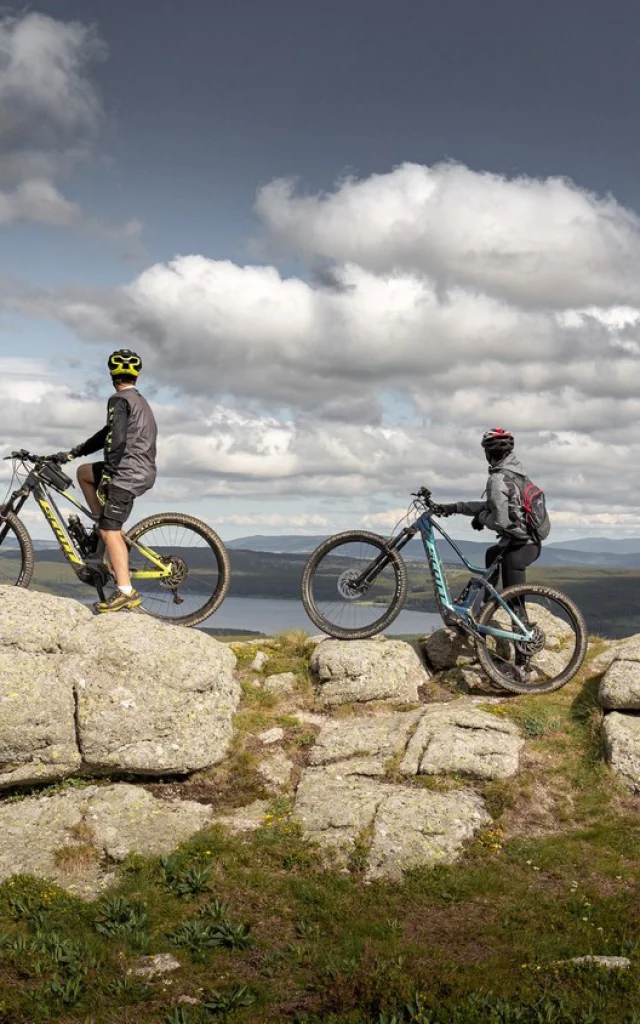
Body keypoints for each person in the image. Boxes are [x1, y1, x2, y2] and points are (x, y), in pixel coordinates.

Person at [55, 349, 157, 613]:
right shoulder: (137, 400)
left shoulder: (119, 399)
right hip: (137, 469)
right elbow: (107, 433)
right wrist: (74, 453)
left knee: (112, 531)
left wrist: (110, 474)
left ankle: (125, 592)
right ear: (137, 375)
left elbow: (117, 440)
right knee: (84, 473)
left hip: (127, 472)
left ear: (112, 374)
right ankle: (103, 527)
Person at [436, 427, 542, 611]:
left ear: (487, 453)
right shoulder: (516, 473)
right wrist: (455, 508)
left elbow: (499, 521)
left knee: (514, 596)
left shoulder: (498, 479)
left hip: (521, 544)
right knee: (492, 554)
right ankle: (487, 610)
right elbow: (493, 506)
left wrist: (481, 518)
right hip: (528, 539)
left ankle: (521, 628)